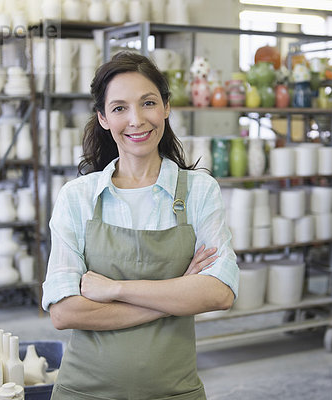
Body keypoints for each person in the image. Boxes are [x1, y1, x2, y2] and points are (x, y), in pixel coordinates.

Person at [42, 51, 239, 400]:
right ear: (103, 118)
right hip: (83, 392)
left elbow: (219, 293)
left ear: (165, 106)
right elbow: (64, 311)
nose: (136, 119)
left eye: (147, 103)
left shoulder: (198, 191)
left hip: (174, 391)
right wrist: (179, 291)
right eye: (119, 108)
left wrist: (115, 289)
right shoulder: (78, 197)